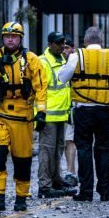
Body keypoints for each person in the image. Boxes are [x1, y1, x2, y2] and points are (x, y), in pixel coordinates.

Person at [57, 26, 109, 202]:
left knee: (84, 149)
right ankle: (105, 191)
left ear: (85, 41)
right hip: (106, 110)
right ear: (102, 41)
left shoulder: (77, 56)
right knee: (105, 150)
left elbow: (62, 78)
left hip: (83, 110)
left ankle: (86, 191)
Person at [0, 21, 47, 213]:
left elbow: (40, 86)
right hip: (0, 113)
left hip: (23, 114)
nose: (10, 40)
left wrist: (41, 112)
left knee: (22, 159)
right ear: (2, 38)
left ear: (20, 38)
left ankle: (21, 196)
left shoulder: (32, 59)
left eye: (14, 36)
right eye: (7, 36)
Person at [37, 31, 74, 199]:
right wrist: (40, 113)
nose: (62, 46)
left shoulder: (62, 60)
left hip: (60, 114)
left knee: (58, 150)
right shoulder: (43, 62)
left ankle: (56, 180)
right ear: (50, 44)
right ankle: (45, 186)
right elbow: (40, 89)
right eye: (59, 43)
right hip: (49, 116)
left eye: (63, 44)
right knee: (47, 151)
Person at [61, 38, 78, 188]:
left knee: (72, 141)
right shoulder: (55, 62)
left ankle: (72, 173)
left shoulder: (77, 62)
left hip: (75, 108)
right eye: (63, 47)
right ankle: (70, 172)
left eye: (67, 47)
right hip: (59, 110)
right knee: (68, 141)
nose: (64, 50)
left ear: (73, 48)